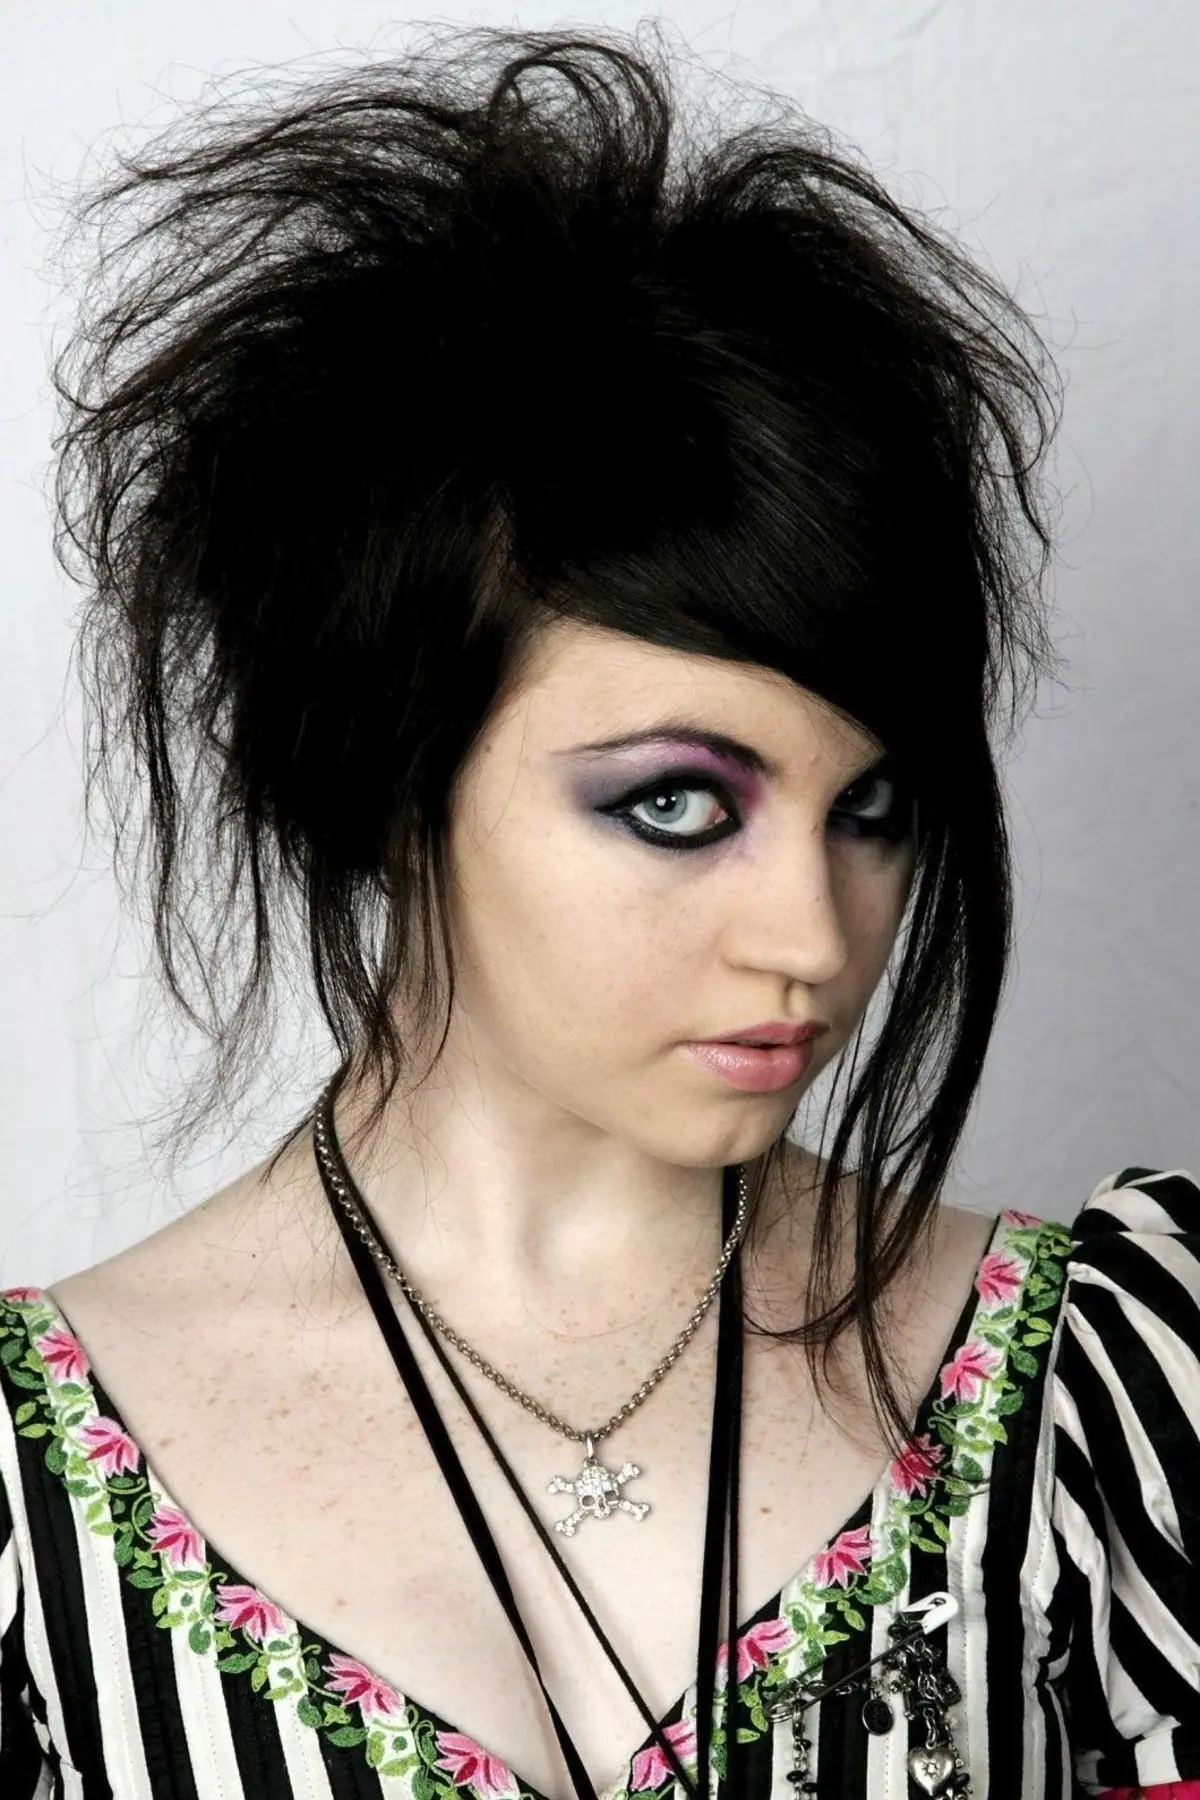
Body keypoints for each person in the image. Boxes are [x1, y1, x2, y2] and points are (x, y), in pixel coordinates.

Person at [0, 21, 1195, 1800]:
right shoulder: (31, 1498)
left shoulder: (1115, 1385)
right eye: (676, 806)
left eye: (871, 808)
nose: (816, 937)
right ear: (383, 782)